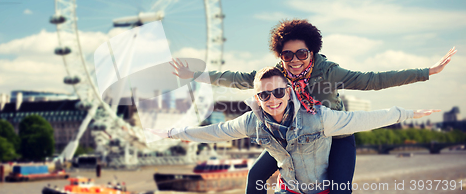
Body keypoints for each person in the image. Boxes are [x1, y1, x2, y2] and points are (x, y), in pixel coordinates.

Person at [170, 19, 457, 194]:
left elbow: (374, 80)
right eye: (287, 54)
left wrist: (426, 72)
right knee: (256, 176)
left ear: (312, 52)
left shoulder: (328, 71)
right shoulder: (275, 75)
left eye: (301, 53)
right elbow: (236, 78)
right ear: (279, 55)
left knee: (339, 188)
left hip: (335, 135)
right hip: (295, 137)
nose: (294, 60)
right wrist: (195, 75)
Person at [150, 67, 439, 194]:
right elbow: (215, 131)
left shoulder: (319, 118)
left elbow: (363, 118)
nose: (272, 100)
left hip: (322, 189)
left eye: (277, 93)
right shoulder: (253, 121)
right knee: (255, 177)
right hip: (289, 189)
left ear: (289, 92)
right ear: (257, 99)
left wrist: (408, 114)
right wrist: (174, 132)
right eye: (264, 96)